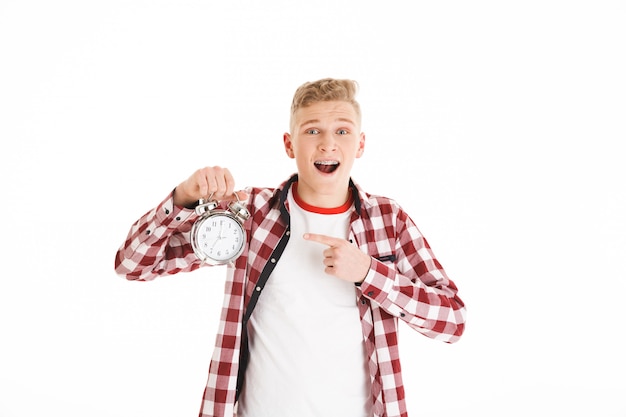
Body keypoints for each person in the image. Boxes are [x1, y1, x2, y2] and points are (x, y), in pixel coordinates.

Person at [114, 78, 466, 417]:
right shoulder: (250, 213)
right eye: (312, 130)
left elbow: (452, 320)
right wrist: (183, 199)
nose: (328, 144)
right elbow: (133, 264)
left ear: (360, 144)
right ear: (289, 144)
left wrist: (369, 272)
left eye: (342, 131)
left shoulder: (389, 220)